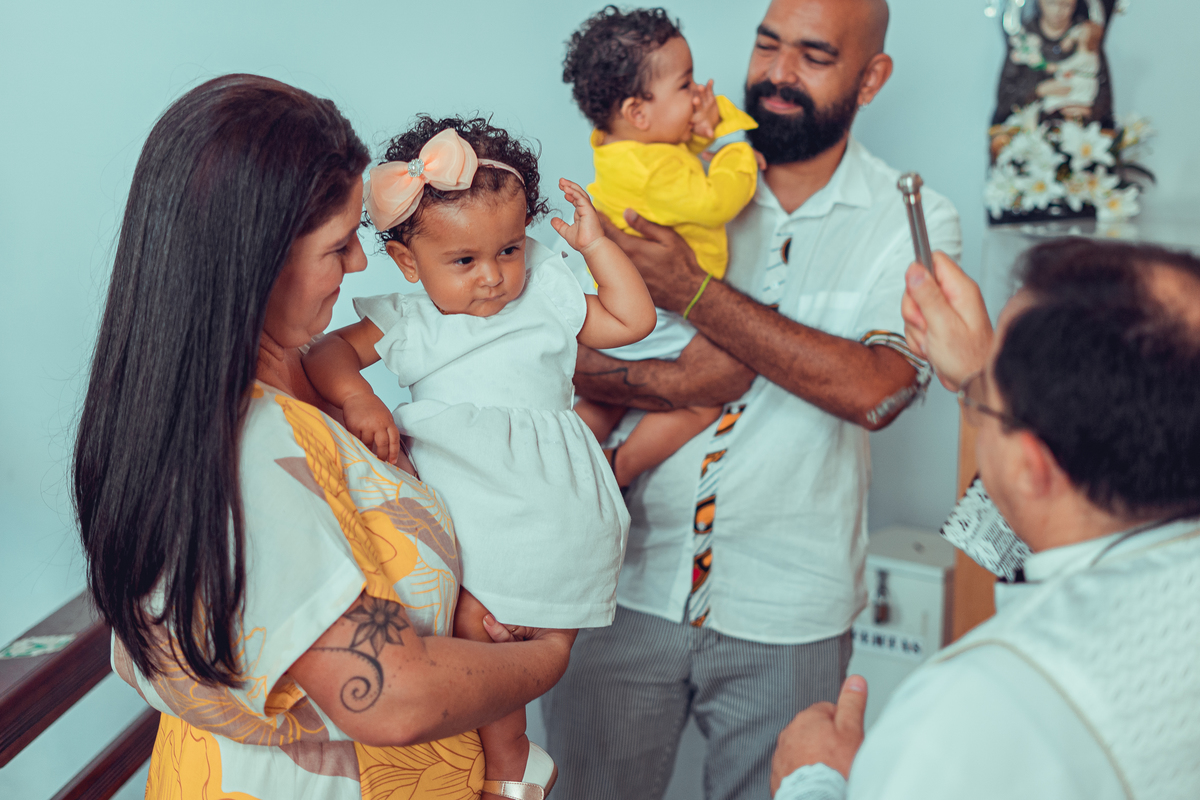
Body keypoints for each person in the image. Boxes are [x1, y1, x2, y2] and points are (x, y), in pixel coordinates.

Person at [72, 74, 576, 800]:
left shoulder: (285, 398)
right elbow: (385, 692)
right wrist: (551, 655)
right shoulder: (251, 452)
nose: (361, 264)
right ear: (259, 263)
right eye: (339, 248)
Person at [541, 1, 962, 798]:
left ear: (872, 77)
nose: (777, 73)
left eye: (813, 55)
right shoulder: (663, 173)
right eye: (767, 45)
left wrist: (696, 293)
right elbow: (554, 347)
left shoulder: (910, 219)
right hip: (619, 586)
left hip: (791, 611)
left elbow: (879, 389)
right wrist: (673, 382)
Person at [770, 239, 1200, 799]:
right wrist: (982, 377)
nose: (975, 409)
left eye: (986, 401)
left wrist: (813, 779)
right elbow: (1041, 540)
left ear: (1030, 464)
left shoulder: (977, 705)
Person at [302, 115, 655, 798]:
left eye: (510, 250)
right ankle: (512, 757)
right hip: (472, 504)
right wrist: (360, 400)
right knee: (471, 631)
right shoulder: (412, 321)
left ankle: (508, 765)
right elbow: (324, 353)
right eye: (464, 262)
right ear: (409, 264)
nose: (493, 277)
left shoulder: (544, 298)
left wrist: (599, 246)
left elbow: (633, 322)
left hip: (554, 504)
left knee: (514, 629)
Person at [561, 6, 760, 487]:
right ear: (638, 112)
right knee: (704, 397)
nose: (698, 95)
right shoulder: (659, 170)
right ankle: (620, 467)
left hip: (614, 299)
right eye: (686, 85)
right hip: (656, 309)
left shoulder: (617, 147)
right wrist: (735, 147)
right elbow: (716, 200)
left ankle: (564, 472)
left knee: (603, 400)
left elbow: (670, 156)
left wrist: (700, 138)